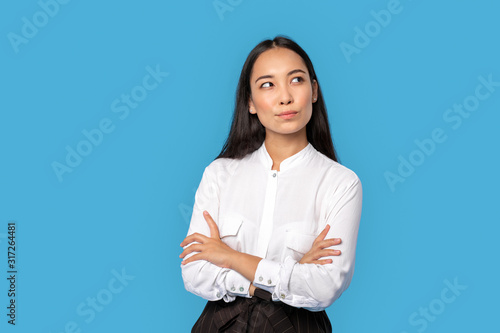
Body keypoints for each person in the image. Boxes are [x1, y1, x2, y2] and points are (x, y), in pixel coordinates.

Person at [179, 35, 363, 332]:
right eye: (268, 84)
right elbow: (194, 272)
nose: (285, 97)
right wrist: (285, 276)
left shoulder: (341, 183)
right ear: (250, 102)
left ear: (314, 91)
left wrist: (229, 257)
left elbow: (326, 286)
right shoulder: (219, 174)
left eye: (296, 80)